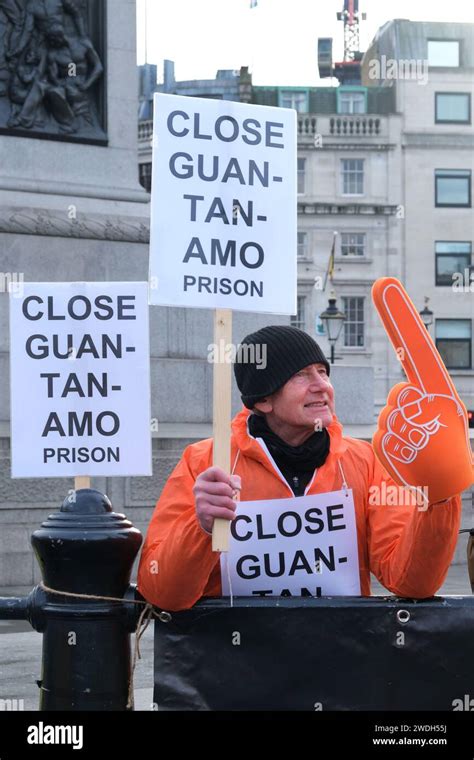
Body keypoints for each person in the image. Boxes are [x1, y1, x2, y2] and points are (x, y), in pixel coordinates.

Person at [137, 325, 463, 611]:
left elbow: (410, 583)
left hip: (340, 668)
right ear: (263, 400)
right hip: (235, 669)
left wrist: (438, 496)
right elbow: (162, 593)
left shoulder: (364, 461)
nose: (322, 385)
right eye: (301, 375)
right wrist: (201, 527)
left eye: (323, 371)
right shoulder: (205, 462)